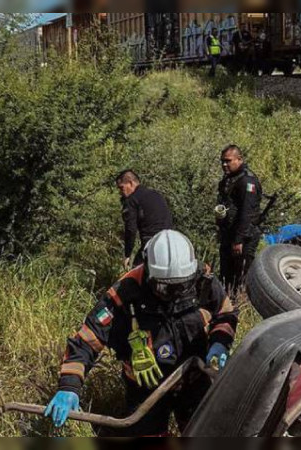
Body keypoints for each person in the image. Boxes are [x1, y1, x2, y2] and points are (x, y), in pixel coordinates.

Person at [45, 230, 238, 435]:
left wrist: (220, 342)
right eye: (165, 288)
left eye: (181, 286)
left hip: (194, 378)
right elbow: (87, 339)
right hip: (146, 389)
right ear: (148, 273)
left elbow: (226, 314)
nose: (174, 294)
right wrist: (69, 386)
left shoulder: (202, 281)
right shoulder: (125, 293)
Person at [216, 144, 262, 294]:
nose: (224, 164)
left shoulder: (247, 181)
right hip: (229, 234)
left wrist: (238, 240)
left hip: (243, 238)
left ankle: (240, 304)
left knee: (240, 277)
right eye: (222, 161)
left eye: (228, 161)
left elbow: (247, 213)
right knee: (226, 276)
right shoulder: (230, 179)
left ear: (239, 159)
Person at [116, 170, 173, 268]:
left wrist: (127, 254)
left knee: (135, 273)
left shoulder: (131, 200)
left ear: (131, 183)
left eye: (122, 188)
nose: (121, 192)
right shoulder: (156, 194)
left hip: (151, 244)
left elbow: (130, 230)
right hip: (170, 242)